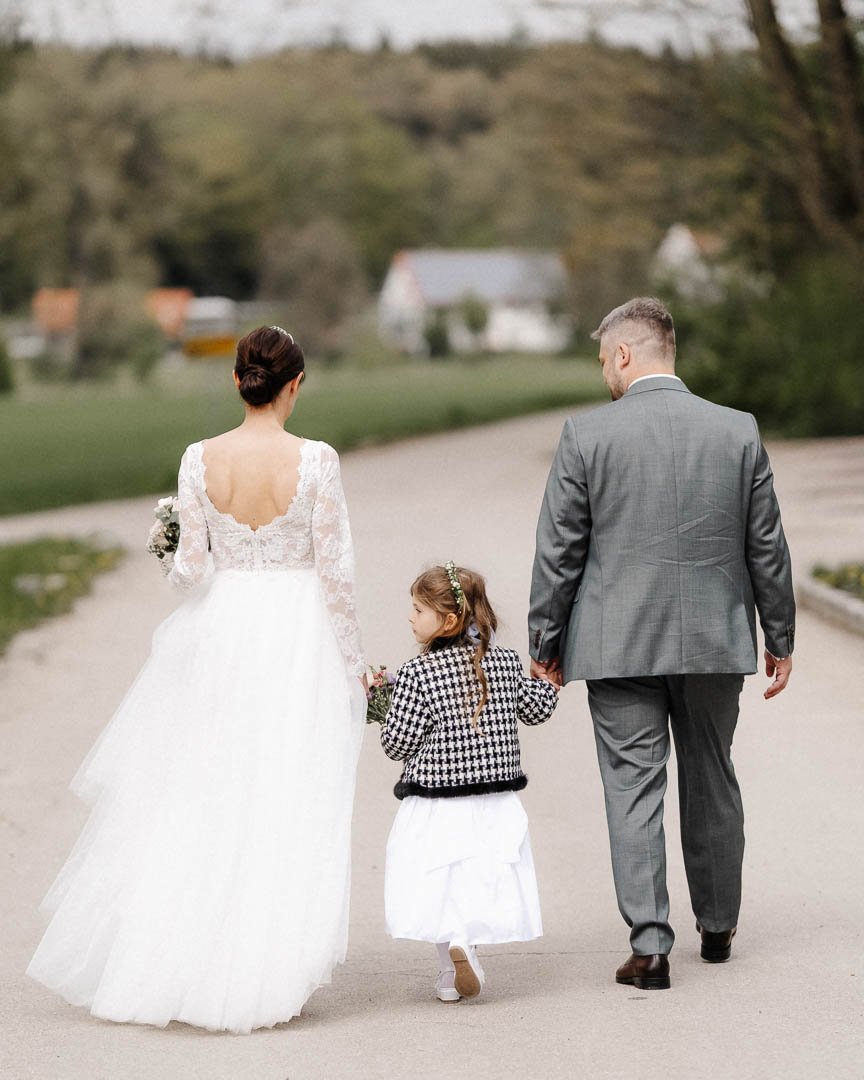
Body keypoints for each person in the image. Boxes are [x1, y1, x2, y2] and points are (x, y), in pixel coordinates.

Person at [27, 326, 367, 1033]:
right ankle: (270, 965)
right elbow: (335, 572)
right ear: (295, 384)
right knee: (282, 790)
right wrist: (354, 661)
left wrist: (170, 547)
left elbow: (190, 576)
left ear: (236, 381)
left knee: (208, 786)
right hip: (296, 630)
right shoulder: (317, 460)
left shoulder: (197, 458)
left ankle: (186, 955)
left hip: (221, 629)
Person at [528, 297, 795, 990]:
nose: (604, 376)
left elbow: (560, 551)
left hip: (616, 643)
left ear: (623, 354)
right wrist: (780, 632)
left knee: (632, 787)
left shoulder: (587, 437)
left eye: (603, 362)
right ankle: (717, 926)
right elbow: (766, 542)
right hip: (713, 638)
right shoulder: (737, 431)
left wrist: (545, 640)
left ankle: (649, 947)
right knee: (712, 772)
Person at [381, 562, 558, 1003]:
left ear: (448, 620)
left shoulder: (419, 674)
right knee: (478, 877)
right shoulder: (503, 662)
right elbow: (534, 710)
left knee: (441, 881)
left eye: (418, 609)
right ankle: (467, 946)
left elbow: (397, 744)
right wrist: (549, 683)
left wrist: (381, 701)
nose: (410, 617)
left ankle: (448, 970)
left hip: (437, 802)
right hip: (494, 801)